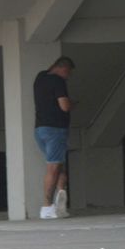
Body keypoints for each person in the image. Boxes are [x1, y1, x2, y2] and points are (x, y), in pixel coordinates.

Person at [34, 56, 75, 220]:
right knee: (53, 168)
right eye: (68, 73)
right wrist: (74, 104)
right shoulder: (58, 81)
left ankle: (61, 206)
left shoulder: (40, 77)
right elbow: (64, 106)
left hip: (40, 129)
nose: (68, 77)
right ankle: (47, 207)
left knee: (59, 167)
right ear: (63, 68)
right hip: (55, 129)